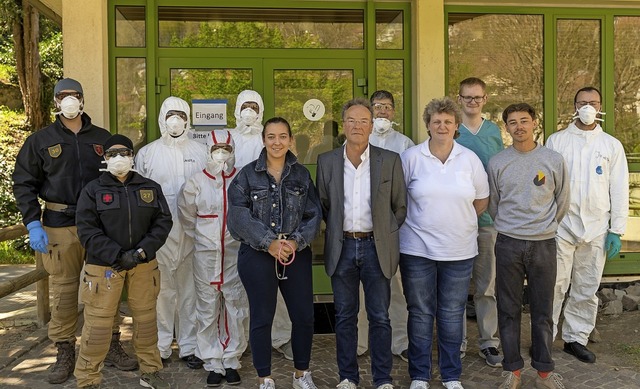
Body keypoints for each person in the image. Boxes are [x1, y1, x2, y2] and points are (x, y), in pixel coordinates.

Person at [12, 78, 137, 384]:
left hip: (100, 227)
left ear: (82, 99)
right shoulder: (39, 141)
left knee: (106, 288)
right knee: (65, 292)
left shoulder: (103, 139)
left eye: (74, 95)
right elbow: (23, 183)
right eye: (62, 96)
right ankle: (65, 350)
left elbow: (121, 178)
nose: (68, 100)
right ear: (55, 101)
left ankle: (110, 344)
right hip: (59, 225)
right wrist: (32, 222)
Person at [316, 98, 407, 389]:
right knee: (344, 316)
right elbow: (324, 204)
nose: (357, 126)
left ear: (372, 125)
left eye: (363, 121)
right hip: (341, 247)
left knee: (380, 316)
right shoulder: (327, 161)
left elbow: (400, 206)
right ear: (344, 125)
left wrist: (385, 232)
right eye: (352, 121)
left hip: (376, 247)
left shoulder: (389, 160)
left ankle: (382, 379)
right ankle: (347, 377)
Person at [399, 97, 489, 389]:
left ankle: (451, 375)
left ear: (456, 126)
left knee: (452, 315)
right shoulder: (410, 158)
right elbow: (398, 201)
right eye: (436, 121)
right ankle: (420, 375)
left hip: (459, 250)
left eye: (447, 121)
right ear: (427, 125)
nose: (442, 126)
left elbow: (481, 200)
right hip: (416, 249)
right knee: (421, 313)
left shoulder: (469, 159)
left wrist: (456, 220)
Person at [228, 117, 322, 389]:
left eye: (282, 136)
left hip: (295, 252)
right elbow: (237, 216)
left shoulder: (301, 175)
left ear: (290, 140)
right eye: (271, 136)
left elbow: (313, 214)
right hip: (257, 254)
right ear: (263, 140)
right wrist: (269, 242)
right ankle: (264, 378)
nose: (277, 142)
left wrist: (295, 242)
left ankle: (301, 374)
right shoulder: (247, 175)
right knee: (261, 316)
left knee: (304, 316)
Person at [73, 134, 173, 389]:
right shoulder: (92, 190)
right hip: (103, 266)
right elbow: (86, 229)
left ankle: (150, 372)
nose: (119, 158)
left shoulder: (150, 187)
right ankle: (88, 380)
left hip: (142, 264)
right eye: (112, 153)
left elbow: (163, 223)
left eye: (124, 152)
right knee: (97, 325)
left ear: (132, 156)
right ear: (104, 159)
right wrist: (118, 255)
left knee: (147, 321)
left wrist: (139, 253)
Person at [488, 103, 570, 389]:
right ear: (506, 128)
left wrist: (543, 226)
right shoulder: (498, 162)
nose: (519, 126)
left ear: (534, 123)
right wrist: (511, 228)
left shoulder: (553, 159)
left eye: (524, 120)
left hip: (544, 243)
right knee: (508, 309)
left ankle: (544, 372)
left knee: (542, 309)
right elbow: (494, 204)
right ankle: (512, 370)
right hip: (508, 243)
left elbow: (562, 200)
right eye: (512, 122)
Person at [547, 86, 629, 364]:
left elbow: (619, 189)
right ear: (574, 107)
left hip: (596, 228)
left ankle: (575, 338)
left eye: (593, 102)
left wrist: (616, 230)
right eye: (582, 103)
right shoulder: (556, 141)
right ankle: (544, 338)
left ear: (601, 107)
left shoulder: (610, 145)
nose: (587, 107)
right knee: (554, 285)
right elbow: (547, 184)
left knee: (586, 287)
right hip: (561, 226)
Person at [135, 96, 207, 368]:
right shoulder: (148, 154)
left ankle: (189, 345)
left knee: (190, 291)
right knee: (163, 291)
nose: (175, 120)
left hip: (193, 232)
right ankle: (162, 345)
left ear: (188, 118)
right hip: (160, 234)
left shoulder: (201, 151)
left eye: (180, 114)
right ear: (162, 117)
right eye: (170, 114)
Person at [177, 130, 248, 386]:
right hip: (205, 256)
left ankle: (231, 359)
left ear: (233, 150)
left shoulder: (241, 179)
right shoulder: (196, 181)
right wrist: (204, 240)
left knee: (235, 306)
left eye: (226, 148)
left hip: (234, 254)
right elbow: (187, 216)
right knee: (206, 308)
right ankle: (212, 361)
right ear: (208, 150)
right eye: (216, 148)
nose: (221, 153)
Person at [229, 89, 294, 360]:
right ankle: (241, 339)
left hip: (274, 223)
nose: (249, 111)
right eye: (245, 105)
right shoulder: (227, 138)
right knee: (240, 286)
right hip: (241, 221)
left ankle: (280, 337)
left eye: (255, 106)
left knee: (275, 284)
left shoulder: (270, 139)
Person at [356, 90, 413, 360]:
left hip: (393, 228)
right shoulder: (357, 142)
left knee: (396, 288)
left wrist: (394, 223)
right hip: (362, 228)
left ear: (394, 112)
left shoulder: (404, 144)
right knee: (363, 289)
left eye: (387, 107)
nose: (382, 112)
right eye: (377, 106)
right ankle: (361, 342)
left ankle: (400, 342)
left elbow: (408, 189)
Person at [455, 77, 504, 367]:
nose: (472, 102)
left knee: (486, 286)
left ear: (485, 100)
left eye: (478, 97)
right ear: (459, 99)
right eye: (467, 97)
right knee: (457, 287)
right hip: (457, 222)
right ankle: (456, 342)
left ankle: (489, 342)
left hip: (486, 221)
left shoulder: (493, 132)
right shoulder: (453, 130)